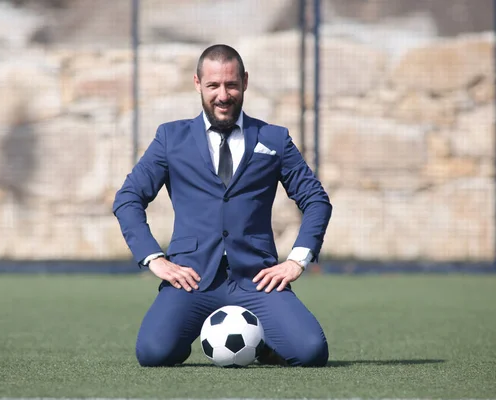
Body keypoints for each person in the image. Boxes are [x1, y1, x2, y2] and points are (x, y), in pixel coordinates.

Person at [113, 44, 332, 367]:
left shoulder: (274, 139)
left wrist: (297, 260)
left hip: (257, 279)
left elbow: (315, 200)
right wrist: (153, 258)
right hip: (191, 277)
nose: (223, 95)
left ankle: (266, 346)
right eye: (213, 85)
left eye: (231, 84)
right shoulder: (170, 138)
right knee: (153, 354)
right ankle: (192, 327)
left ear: (244, 81)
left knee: (312, 352)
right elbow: (128, 198)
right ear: (198, 83)